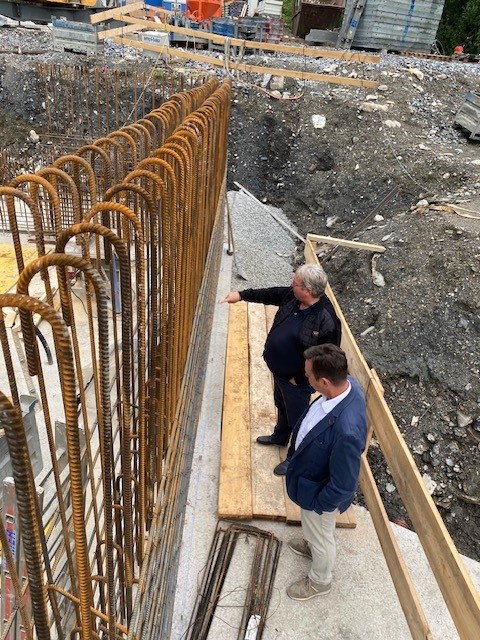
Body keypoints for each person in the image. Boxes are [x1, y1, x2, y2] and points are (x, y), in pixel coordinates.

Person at [221, 264, 341, 476]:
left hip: (297, 382)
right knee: (282, 406)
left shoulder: (326, 320)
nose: (290, 285)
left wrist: (300, 380)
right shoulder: (293, 297)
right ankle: (279, 437)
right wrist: (240, 295)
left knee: (299, 421)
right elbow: (270, 294)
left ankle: (294, 458)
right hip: (280, 373)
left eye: (295, 284)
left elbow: (327, 359)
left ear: (308, 291)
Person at [285, 343, 367, 601]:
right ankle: (312, 544)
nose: (305, 377)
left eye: (308, 375)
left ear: (323, 382)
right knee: (315, 531)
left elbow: (344, 484)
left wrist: (319, 504)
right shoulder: (345, 386)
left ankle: (320, 581)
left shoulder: (347, 431)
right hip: (311, 484)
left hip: (318, 495)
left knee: (321, 536)